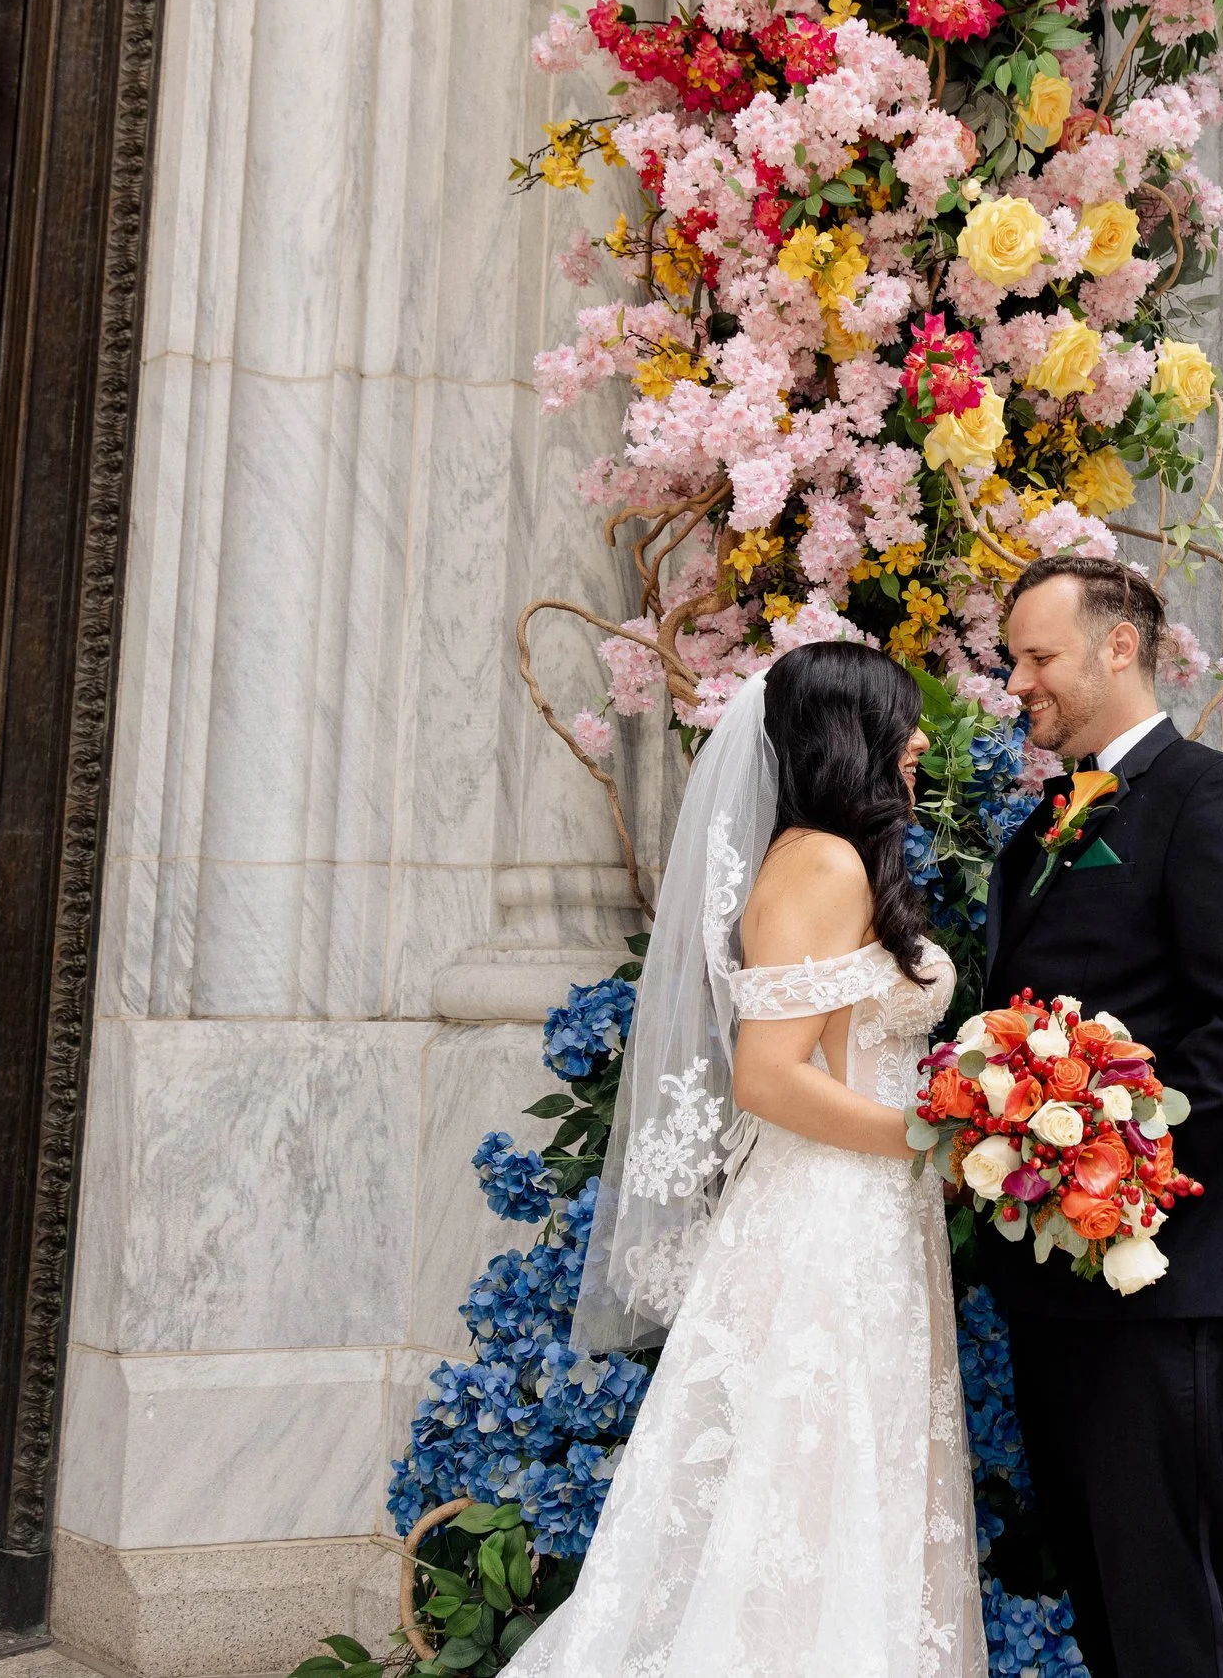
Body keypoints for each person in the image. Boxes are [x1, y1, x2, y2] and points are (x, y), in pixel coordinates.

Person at [503, 641, 980, 1678]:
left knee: (823, 1485)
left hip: (855, 1209)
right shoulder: (825, 861)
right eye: (902, 717)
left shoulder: (814, 855)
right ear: (851, 734)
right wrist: (929, 1142)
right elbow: (769, 1075)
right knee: (809, 1484)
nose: (920, 739)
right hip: (831, 1215)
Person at [981, 553, 1223, 1678]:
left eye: (1038, 655)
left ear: (1118, 645)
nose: (1016, 680)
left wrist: (1112, 1170)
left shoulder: (1217, 798)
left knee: (1178, 1616)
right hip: (1057, 1288)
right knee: (1109, 1605)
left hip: (1181, 1282)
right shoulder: (1034, 835)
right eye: (1012, 657)